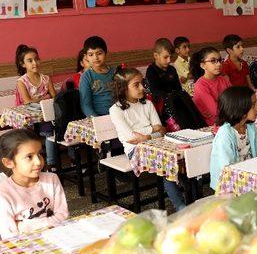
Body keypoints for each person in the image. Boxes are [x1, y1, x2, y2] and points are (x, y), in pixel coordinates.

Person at [109, 67, 186, 210]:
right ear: (123, 88)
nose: (142, 88)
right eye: (136, 85)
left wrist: (146, 135)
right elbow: (130, 137)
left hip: (157, 144)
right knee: (165, 163)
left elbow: (161, 130)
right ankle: (181, 207)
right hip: (135, 151)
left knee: (181, 158)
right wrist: (152, 130)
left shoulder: (147, 104)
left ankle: (193, 196)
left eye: (142, 83)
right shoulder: (116, 110)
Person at [0, 129, 68, 240]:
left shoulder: (52, 179)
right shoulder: (2, 194)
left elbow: (63, 217)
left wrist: (26, 226)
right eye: (29, 157)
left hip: (58, 238)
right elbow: (10, 237)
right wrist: (50, 223)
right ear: (8, 162)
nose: (38, 161)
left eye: (39, 154)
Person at [209, 86, 257, 190]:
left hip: (249, 178)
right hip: (229, 184)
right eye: (253, 105)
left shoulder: (251, 128)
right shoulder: (225, 134)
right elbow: (227, 169)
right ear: (240, 108)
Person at [14, 44, 58, 168]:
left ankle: (51, 163)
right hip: (29, 117)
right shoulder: (22, 81)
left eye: (36, 59)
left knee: (50, 131)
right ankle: (32, 162)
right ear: (23, 64)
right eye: (30, 61)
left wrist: (40, 99)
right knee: (28, 136)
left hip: (46, 113)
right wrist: (44, 97)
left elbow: (54, 97)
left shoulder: (46, 78)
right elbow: (27, 101)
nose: (35, 63)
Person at [190, 47, 232, 126]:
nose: (219, 64)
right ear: (203, 65)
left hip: (230, 119)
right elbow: (215, 111)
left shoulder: (223, 79)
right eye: (213, 61)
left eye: (219, 60)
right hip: (214, 125)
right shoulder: (201, 85)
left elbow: (236, 100)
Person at [79, 36, 116, 117]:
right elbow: (85, 105)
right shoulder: (86, 76)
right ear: (86, 57)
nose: (95, 58)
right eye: (91, 55)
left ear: (106, 53)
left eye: (99, 53)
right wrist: (97, 120)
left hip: (120, 114)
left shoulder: (115, 72)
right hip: (99, 116)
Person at [146, 38, 183, 105]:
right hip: (162, 105)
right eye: (165, 57)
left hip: (176, 102)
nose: (169, 60)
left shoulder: (172, 69)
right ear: (156, 56)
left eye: (170, 57)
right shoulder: (151, 71)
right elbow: (155, 92)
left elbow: (178, 88)